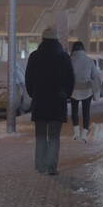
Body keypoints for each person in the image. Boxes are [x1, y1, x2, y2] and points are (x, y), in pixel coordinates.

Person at [25, 27, 74, 176]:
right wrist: (66, 95)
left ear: (43, 39)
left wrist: (33, 93)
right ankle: (51, 166)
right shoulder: (63, 57)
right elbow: (70, 79)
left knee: (40, 135)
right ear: (56, 39)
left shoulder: (34, 56)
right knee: (54, 136)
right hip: (57, 102)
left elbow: (29, 79)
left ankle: (40, 166)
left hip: (40, 101)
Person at [69, 42, 101, 143]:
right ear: (83, 49)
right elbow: (95, 75)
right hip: (87, 89)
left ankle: (76, 133)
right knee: (86, 111)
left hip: (73, 90)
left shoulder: (70, 60)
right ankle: (84, 134)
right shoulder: (89, 60)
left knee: (74, 111)